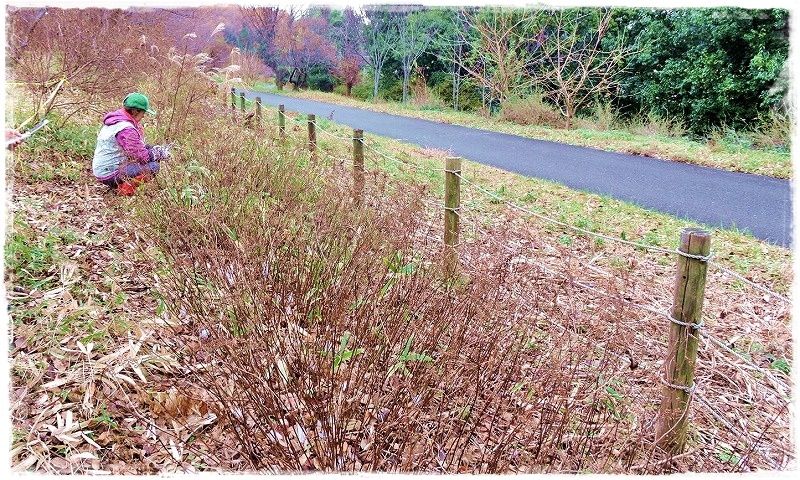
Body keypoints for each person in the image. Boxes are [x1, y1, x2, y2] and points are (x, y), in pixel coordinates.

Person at [92, 92, 170, 195]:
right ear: (135, 111)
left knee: (146, 163)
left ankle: (119, 184)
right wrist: (157, 154)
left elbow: (135, 147)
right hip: (110, 172)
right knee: (154, 167)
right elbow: (142, 157)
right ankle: (124, 189)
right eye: (143, 112)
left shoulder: (116, 121)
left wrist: (151, 148)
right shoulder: (126, 129)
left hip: (103, 168)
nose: (143, 116)